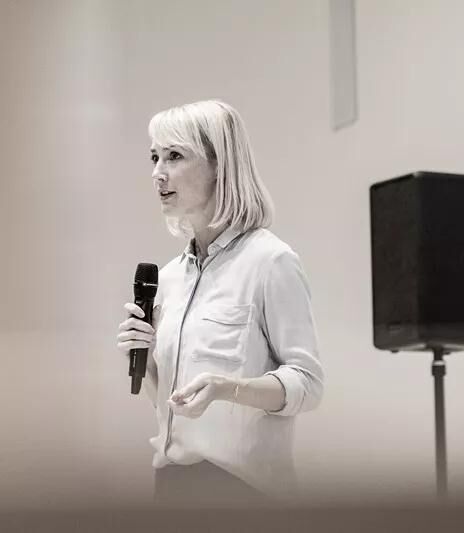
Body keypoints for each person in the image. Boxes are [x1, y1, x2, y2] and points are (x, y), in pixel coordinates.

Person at [116, 99, 324, 508]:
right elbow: (169, 403)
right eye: (155, 157)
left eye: (174, 156)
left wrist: (228, 389)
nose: (158, 172)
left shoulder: (270, 262)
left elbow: (308, 384)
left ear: (219, 164)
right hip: (170, 485)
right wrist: (147, 357)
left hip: (243, 495)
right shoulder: (169, 278)